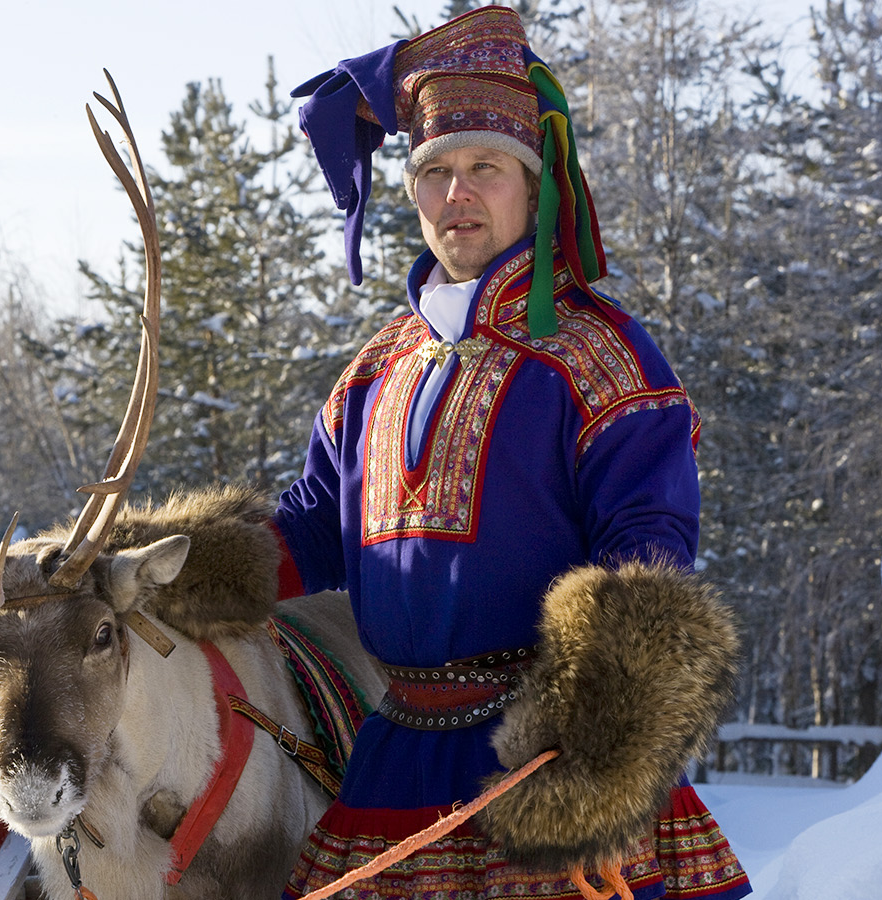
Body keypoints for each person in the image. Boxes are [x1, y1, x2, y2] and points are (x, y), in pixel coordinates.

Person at [270, 7, 751, 899]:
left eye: (484, 168)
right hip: (394, 765)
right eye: (436, 172)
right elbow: (308, 531)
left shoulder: (600, 356)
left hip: (545, 768)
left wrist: (599, 763)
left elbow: (648, 562)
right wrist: (180, 570)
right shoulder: (374, 370)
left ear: (533, 187)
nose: (459, 195)